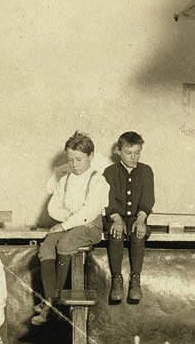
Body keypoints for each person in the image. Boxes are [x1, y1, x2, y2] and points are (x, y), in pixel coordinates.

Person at [31, 131, 110, 326]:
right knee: (47, 246)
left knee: (65, 244)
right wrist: (69, 219)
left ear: (90, 156)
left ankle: (52, 304)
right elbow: (53, 208)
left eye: (79, 159)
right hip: (72, 224)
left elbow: (90, 211)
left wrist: (67, 223)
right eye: (70, 159)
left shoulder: (98, 180)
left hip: (90, 227)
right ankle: (50, 298)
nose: (74, 164)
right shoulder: (64, 180)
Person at [103, 131, 155, 303]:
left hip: (136, 217)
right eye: (128, 153)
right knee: (116, 235)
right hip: (115, 217)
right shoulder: (110, 172)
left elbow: (148, 198)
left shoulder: (146, 171)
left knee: (138, 234)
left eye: (137, 153)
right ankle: (117, 280)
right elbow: (108, 199)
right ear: (118, 151)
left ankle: (135, 280)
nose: (133, 157)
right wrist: (116, 219)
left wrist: (141, 219)